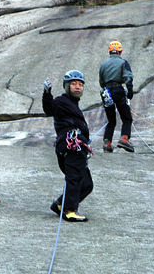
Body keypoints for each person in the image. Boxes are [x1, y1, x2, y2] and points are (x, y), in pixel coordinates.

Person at [42, 69, 93, 223]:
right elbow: (49, 109)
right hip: (71, 146)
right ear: (66, 86)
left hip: (78, 146)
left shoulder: (73, 104)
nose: (77, 87)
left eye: (80, 84)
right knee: (75, 177)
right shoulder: (62, 101)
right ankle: (69, 209)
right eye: (73, 84)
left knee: (87, 184)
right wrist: (47, 93)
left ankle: (60, 204)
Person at [99, 40, 134, 153]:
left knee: (111, 120)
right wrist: (130, 91)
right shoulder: (123, 62)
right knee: (126, 118)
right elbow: (128, 78)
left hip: (106, 92)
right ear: (120, 51)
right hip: (118, 90)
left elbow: (101, 82)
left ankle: (107, 143)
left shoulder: (103, 64)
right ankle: (124, 138)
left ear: (110, 51)